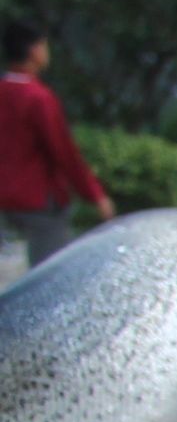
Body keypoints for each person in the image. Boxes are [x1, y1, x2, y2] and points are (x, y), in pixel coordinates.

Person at [0, 19, 114, 277]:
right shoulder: (39, 98)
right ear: (34, 51)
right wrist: (94, 194)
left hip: (4, 200)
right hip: (39, 202)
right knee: (48, 278)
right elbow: (63, 152)